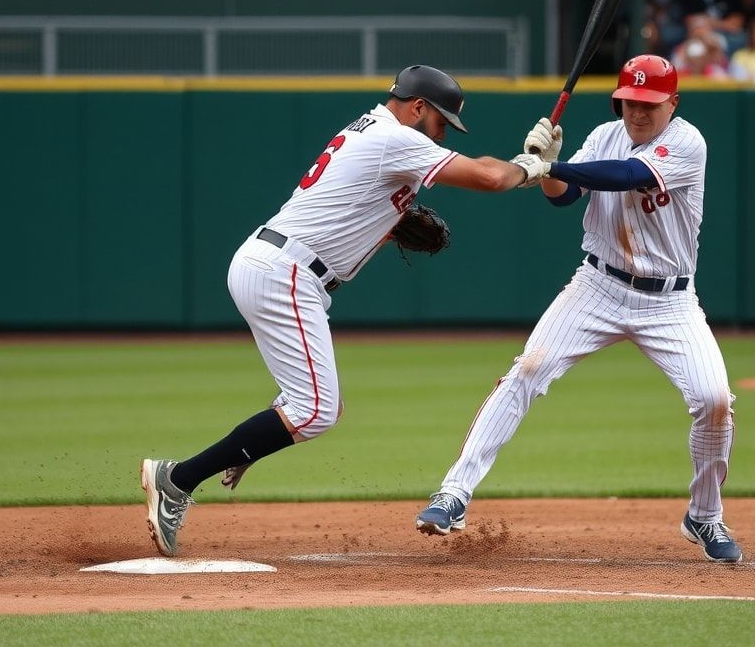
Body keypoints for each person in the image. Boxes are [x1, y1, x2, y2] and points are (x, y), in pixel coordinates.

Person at [139, 65, 546, 557]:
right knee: (316, 409)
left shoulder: (371, 130)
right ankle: (176, 479)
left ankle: (200, 467)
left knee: (312, 406)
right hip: (286, 271)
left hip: (275, 265)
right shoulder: (396, 137)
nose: (442, 135)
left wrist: (256, 441)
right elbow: (488, 177)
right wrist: (529, 165)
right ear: (418, 107)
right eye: (442, 123)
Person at [413, 55, 744, 564]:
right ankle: (453, 494)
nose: (638, 111)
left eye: (650, 103)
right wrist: (548, 167)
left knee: (714, 399)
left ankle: (704, 515)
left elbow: (628, 175)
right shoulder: (603, 135)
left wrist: (544, 167)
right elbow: (564, 198)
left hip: (670, 302)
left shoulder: (687, 142)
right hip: (598, 286)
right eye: (630, 101)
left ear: (671, 103)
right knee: (527, 369)